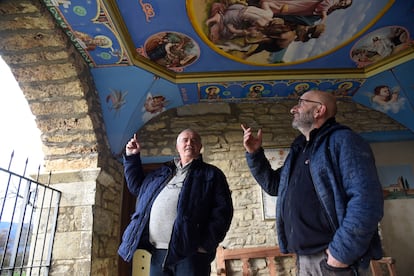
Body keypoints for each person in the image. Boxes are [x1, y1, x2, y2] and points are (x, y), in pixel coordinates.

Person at [241, 90, 383, 275]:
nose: (293, 109)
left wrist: (339, 255)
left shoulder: (344, 140)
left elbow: (367, 200)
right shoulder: (299, 149)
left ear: (319, 110)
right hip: (305, 257)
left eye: (301, 103)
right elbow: (275, 185)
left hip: (333, 259)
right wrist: (255, 154)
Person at [118, 129, 234, 276]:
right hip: (158, 253)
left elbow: (223, 212)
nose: (189, 143)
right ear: (177, 146)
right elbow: (137, 188)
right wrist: (132, 157)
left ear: (200, 147)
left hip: (190, 254)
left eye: (194, 140)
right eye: (185, 140)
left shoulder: (212, 174)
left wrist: (205, 245)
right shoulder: (161, 173)